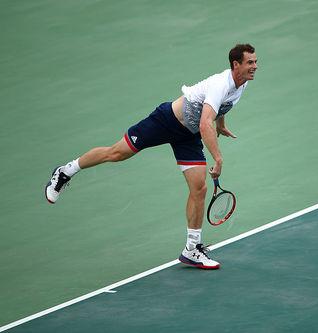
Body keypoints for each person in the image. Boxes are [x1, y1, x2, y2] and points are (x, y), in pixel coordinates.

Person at [45, 44, 258, 270]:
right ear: (236, 65)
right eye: (250, 62)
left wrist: (221, 125)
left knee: (199, 188)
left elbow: (218, 111)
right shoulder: (220, 84)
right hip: (165, 121)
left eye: (255, 62)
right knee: (116, 153)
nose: (255, 66)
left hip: (188, 136)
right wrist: (218, 158)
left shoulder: (241, 85)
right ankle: (65, 171)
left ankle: (192, 249)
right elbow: (206, 122)